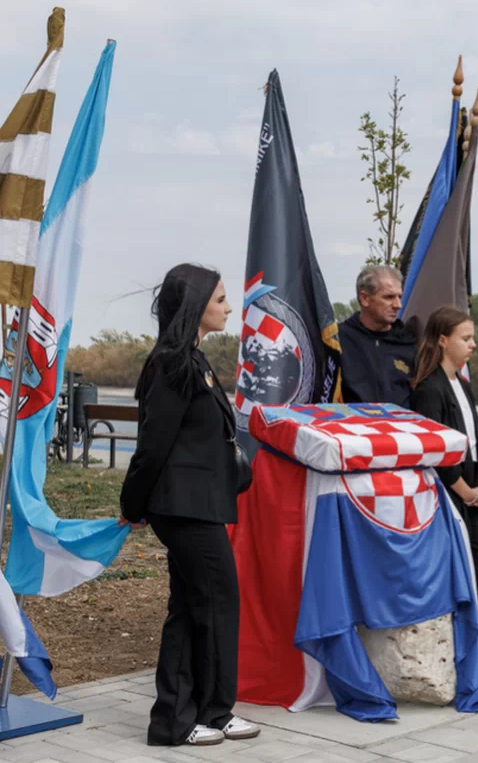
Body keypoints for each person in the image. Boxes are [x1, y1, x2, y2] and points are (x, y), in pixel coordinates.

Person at [119, 264, 260, 747]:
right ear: (196, 306)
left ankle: (189, 715)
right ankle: (199, 715)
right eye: (220, 299)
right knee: (218, 602)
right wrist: (132, 504)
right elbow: (152, 445)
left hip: (197, 505)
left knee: (191, 606)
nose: (229, 308)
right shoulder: (172, 364)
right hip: (182, 508)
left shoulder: (192, 360)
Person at [410, 306, 478, 681]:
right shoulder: (429, 389)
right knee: (456, 571)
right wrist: (466, 491)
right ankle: (459, 646)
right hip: (449, 496)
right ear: (443, 340)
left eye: (473, 338)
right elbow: (436, 452)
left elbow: (475, 443)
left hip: (473, 491)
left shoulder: (463, 384)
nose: (473, 345)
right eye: (466, 338)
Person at [339, 264, 418, 407]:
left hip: (400, 421)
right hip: (353, 420)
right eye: (389, 297)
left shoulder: (409, 342)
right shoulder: (339, 340)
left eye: (399, 297)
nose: (398, 305)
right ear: (365, 298)